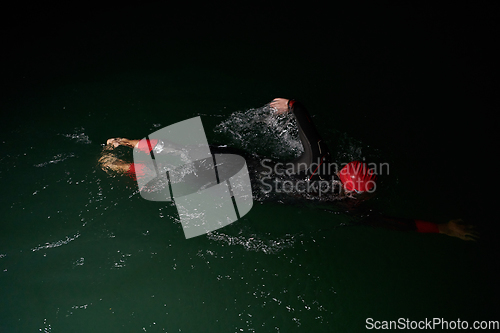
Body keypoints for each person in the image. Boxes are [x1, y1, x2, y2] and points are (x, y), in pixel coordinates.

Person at [98, 98, 479, 241]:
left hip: (238, 166)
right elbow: (389, 222)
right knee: (179, 170)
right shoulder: (350, 206)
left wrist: (292, 104)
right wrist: (442, 227)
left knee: (184, 157)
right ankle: (124, 159)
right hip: (243, 186)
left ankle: (127, 151)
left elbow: (311, 133)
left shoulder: (319, 165)